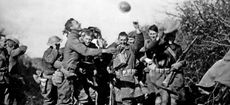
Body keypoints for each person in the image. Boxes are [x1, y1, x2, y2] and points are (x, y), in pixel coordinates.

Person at [57, 18, 115, 105]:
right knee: (65, 101)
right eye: (76, 23)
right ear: (72, 27)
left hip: (74, 73)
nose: (79, 23)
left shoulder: (75, 38)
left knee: (83, 99)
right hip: (67, 74)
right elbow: (85, 51)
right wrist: (104, 51)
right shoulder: (73, 39)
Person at [144, 20, 185, 105]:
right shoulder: (160, 46)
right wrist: (159, 36)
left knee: (174, 101)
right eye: (170, 35)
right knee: (162, 100)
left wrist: (179, 64)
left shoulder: (178, 48)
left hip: (174, 76)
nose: (172, 37)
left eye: (173, 35)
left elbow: (183, 61)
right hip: (161, 76)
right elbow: (149, 47)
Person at [109, 22, 144, 105]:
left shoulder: (132, 48)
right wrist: (114, 43)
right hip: (117, 80)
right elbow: (105, 53)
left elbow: (140, 42)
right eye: (121, 40)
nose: (123, 42)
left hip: (128, 79)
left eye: (125, 40)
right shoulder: (114, 50)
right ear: (118, 40)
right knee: (119, 102)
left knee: (127, 101)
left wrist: (137, 29)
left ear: (127, 40)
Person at [36, 35, 62, 105]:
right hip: (47, 78)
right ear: (54, 44)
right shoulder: (48, 52)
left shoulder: (56, 52)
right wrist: (55, 49)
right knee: (48, 99)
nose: (59, 45)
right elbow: (50, 60)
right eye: (58, 44)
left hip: (54, 77)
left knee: (55, 97)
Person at [4, 37, 27, 105]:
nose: (6, 46)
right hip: (13, 78)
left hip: (10, 77)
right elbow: (24, 47)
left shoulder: (8, 52)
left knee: (9, 97)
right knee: (14, 97)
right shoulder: (12, 53)